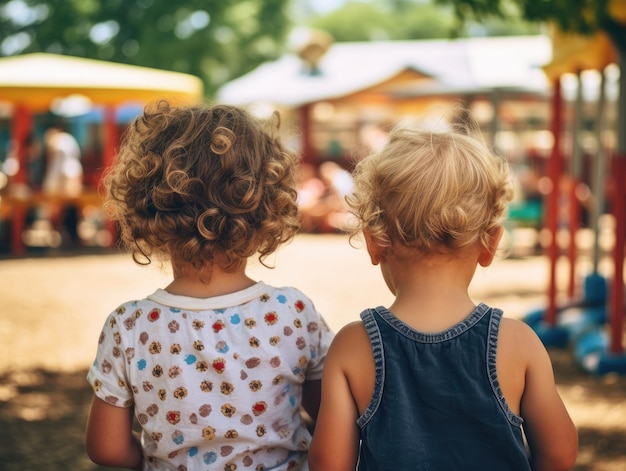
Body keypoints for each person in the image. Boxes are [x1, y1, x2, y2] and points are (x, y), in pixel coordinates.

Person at [308, 117, 578, 470]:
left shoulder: (352, 346)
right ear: (490, 244)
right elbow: (560, 452)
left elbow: (329, 463)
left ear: (375, 243)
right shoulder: (519, 342)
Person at [85, 101, 333, 471]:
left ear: (148, 207)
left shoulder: (129, 326)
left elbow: (106, 449)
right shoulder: (293, 313)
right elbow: (329, 415)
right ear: (267, 205)